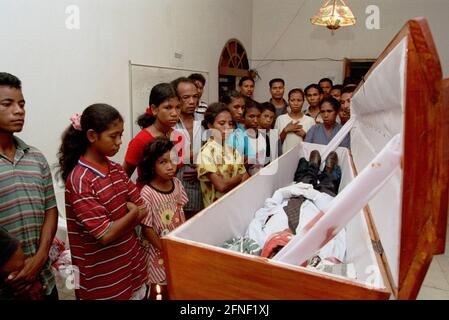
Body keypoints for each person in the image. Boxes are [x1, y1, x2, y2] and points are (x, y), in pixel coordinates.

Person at [58, 104, 148, 300]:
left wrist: (127, 218)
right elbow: (105, 234)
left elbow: (143, 208)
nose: (119, 142)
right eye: (113, 136)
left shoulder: (115, 169)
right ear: (92, 136)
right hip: (103, 280)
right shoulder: (81, 180)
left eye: (121, 135)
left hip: (130, 268)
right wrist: (131, 215)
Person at [0, 72, 58, 300]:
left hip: (45, 280)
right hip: (9, 287)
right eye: (8, 104)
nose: (19, 110)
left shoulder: (35, 157)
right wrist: (20, 276)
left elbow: (50, 210)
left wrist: (40, 258)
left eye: (22, 104)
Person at [138, 138, 188, 300]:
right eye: (162, 162)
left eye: (173, 160)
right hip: (157, 250)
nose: (170, 166)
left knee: (174, 283)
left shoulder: (177, 183)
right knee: (158, 289)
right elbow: (147, 229)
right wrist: (164, 250)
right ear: (151, 165)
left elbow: (181, 212)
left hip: (175, 246)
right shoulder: (147, 193)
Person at [123, 83, 181, 182]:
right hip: (147, 196)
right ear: (154, 109)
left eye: (178, 107)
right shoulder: (141, 140)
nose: (174, 113)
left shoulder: (177, 136)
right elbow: (123, 177)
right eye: (168, 107)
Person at [197, 103, 249, 207]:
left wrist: (234, 180)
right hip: (217, 209)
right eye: (222, 123)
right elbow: (221, 186)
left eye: (230, 123)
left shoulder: (231, 150)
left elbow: (246, 178)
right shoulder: (206, 153)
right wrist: (238, 178)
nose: (228, 127)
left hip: (236, 204)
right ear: (210, 125)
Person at [172, 77, 203, 219]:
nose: (192, 101)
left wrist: (203, 170)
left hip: (203, 189)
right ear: (176, 98)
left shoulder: (204, 121)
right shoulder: (169, 123)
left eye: (195, 96)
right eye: (186, 97)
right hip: (174, 192)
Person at [275, 88, 316, 154]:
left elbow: (315, 146)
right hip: (285, 159)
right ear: (288, 101)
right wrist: (285, 131)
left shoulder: (310, 121)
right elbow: (275, 145)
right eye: (292, 100)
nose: (296, 103)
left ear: (303, 102)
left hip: (303, 160)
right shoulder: (280, 119)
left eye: (299, 100)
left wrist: (305, 135)